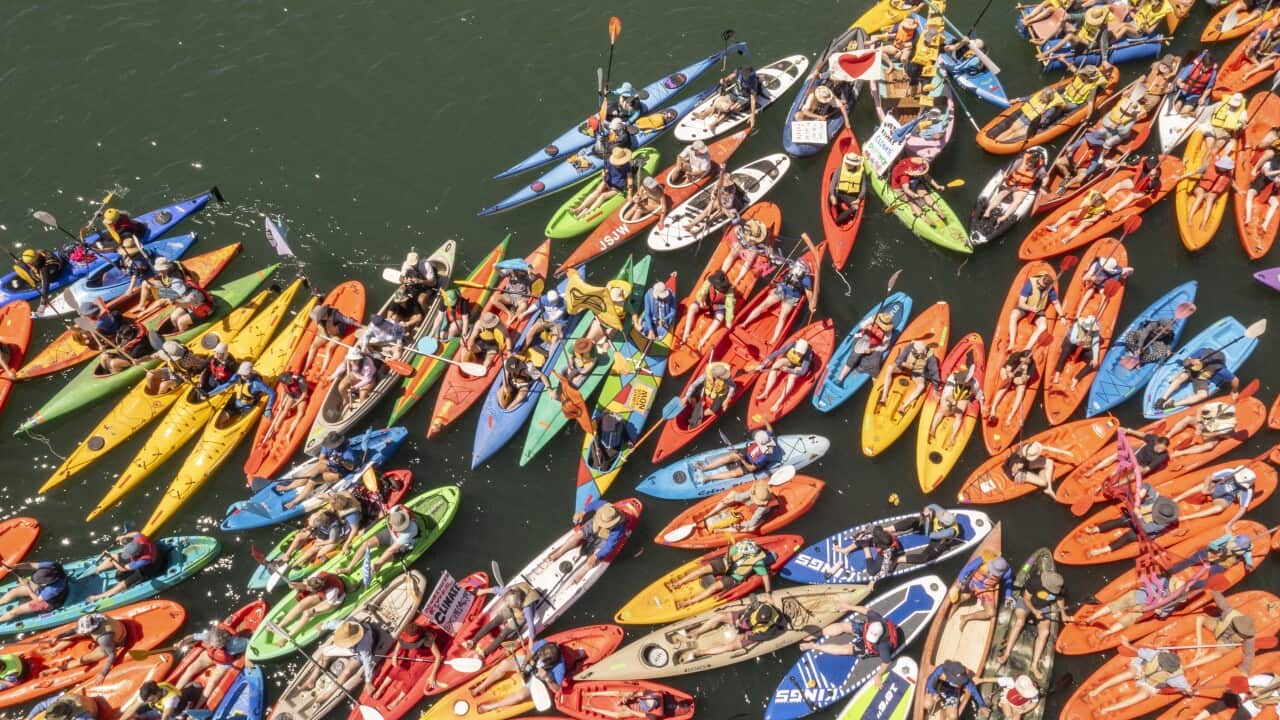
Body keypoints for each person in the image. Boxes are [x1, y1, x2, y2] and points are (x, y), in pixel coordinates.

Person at [800, 602, 902, 685]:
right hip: (867, 629)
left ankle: (814, 646)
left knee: (846, 649)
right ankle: (817, 634)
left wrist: (879, 674)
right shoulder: (876, 619)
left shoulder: (883, 647)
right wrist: (848, 607)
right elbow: (865, 610)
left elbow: (886, 662)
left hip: (870, 646)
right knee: (843, 626)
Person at [671, 595, 788, 664]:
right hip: (745, 621)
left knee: (732, 646)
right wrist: (740, 619)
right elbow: (749, 609)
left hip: (752, 632)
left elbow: (760, 637)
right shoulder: (762, 606)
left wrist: (745, 635)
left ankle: (701, 652)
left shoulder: (771, 629)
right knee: (720, 616)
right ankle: (696, 632)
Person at [666, 538, 775, 610]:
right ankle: (678, 583)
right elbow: (729, 553)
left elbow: (765, 576)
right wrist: (727, 563)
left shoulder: (757, 562)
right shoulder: (741, 546)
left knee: (714, 587)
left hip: (735, 576)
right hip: (726, 564)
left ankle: (689, 602)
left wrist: (768, 594)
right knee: (702, 571)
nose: (739, 548)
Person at [739, 250, 818, 345]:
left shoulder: (803, 277)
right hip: (785, 292)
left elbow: (808, 293)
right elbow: (808, 292)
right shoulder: (799, 273)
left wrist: (811, 303)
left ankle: (771, 338)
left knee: (779, 315)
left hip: (788, 294)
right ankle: (747, 324)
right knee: (769, 309)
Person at [1092, 639, 1192, 714]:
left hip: (1151, 684)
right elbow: (1137, 651)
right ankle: (1098, 689)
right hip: (1141, 669)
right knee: (1130, 673)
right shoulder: (1156, 655)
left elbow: (1187, 690)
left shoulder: (1177, 676)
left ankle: (1109, 709)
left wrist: (1188, 690)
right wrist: (1127, 644)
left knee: (1143, 695)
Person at [995, 570, 1068, 671]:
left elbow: (1060, 599)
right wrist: (1035, 612)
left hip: (1043, 606)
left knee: (1045, 632)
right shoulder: (1035, 581)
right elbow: (1026, 598)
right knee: (1020, 621)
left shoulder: (1060, 588)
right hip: (1026, 602)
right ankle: (1006, 654)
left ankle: (1034, 665)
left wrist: (1064, 614)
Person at [471, 638, 568, 714]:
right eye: (539, 654)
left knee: (521, 696)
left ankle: (490, 707)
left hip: (537, 678)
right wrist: (523, 665)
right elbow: (530, 653)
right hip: (529, 664)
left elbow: (556, 689)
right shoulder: (542, 644)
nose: (539, 657)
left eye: (542, 659)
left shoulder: (559, 668)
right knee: (504, 663)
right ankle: (481, 687)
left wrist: (547, 678)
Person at [1083, 485, 1180, 557]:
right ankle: (1094, 530)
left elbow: (1145, 528)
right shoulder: (1158, 501)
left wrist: (1138, 515)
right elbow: (1148, 486)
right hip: (1135, 516)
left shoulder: (1161, 524)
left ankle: (1100, 551)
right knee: (1118, 521)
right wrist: (1142, 492)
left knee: (1127, 537)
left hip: (1141, 530)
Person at [548, 500, 628, 585]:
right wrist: (582, 512)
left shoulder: (617, 528)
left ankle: (579, 576)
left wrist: (596, 556)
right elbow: (593, 504)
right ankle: (559, 552)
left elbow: (609, 546)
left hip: (606, 536)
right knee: (577, 535)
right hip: (594, 525)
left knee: (593, 559)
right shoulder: (603, 506)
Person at [169, 621, 248, 706]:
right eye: (211, 644)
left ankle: (197, 706)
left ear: (223, 643)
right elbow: (192, 637)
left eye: (214, 646)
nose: (211, 646)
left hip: (223, 663)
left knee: (212, 682)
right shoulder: (210, 636)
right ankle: (173, 694)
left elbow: (250, 643)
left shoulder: (236, 643)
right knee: (190, 670)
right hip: (208, 656)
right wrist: (182, 641)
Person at [855, 504, 962, 566]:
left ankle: (898, 560)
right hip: (930, 528)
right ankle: (888, 529)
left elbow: (931, 535)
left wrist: (929, 519)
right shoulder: (941, 512)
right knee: (913, 521)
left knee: (925, 557)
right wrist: (927, 513)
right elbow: (931, 506)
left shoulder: (950, 531)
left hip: (938, 538)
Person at [300, 620, 382, 700]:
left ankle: (329, 693)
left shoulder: (364, 645)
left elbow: (368, 662)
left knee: (347, 671)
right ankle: (312, 679)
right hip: (348, 647)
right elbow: (333, 623)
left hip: (358, 652)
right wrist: (322, 626)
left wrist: (368, 682)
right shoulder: (345, 627)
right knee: (325, 653)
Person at [459, 583, 541, 658]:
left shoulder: (528, 609)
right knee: (493, 623)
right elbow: (495, 589)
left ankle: (484, 653)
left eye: (510, 604)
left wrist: (530, 648)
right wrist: (481, 591)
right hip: (512, 606)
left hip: (521, 616)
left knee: (503, 633)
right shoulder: (510, 592)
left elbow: (531, 627)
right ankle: (472, 641)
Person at [280, 432, 357, 510]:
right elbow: (321, 459)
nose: (330, 447)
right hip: (328, 465)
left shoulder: (347, 451)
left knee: (312, 481)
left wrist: (342, 461)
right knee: (309, 474)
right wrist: (330, 462)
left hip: (339, 472)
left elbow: (350, 467)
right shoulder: (326, 445)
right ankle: (288, 487)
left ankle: (294, 502)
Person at [688, 474, 779, 538]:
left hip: (758, 514)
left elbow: (752, 522)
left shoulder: (762, 509)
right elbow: (742, 496)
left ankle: (723, 530)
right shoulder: (754, 491)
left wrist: (740, 525)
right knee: (732, 494)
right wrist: (730, 499)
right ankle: (709, 514)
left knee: (752, 528)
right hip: (751, 504)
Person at [340, 504, 418, 577]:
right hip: (390, 534)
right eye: (391, 524)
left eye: (395, 527)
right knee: (366, 544)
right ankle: (349, 568)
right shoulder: (396, 509)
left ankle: (361, 582)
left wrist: (379, 562)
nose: (393, 527)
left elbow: (391, 550)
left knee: (377, 564)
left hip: (403, 546)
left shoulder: (410, 531)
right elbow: (385, 513)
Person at [372, 619, 442, 698]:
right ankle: (381, 688)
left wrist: (433, 675)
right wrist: (395, 655)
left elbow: (438, 656)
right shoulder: (407, 632)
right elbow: (400, 642)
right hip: (416, 650)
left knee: (412, 676)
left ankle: (398, 699)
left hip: (427, 654)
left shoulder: (427, 638)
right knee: (398, 668)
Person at [1155, 347, 1241, 410]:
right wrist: (1191, 361)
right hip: (1191, 371)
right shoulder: (1202, 351)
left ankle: (1173, 404)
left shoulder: (1220, 369)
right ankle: (1163, 398)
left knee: (1203, 395)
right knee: (1182, 377)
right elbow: (1185, 362)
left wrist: (1234, 391)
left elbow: (1235, 380)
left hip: (1201, 378)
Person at [45, 613, 127, 679]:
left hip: (116, 642)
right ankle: (54, 649)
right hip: (110, 631)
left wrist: (103, 673)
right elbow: (75, 630)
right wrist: (59, 636)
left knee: (86, 659)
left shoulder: (104, 639)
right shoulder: (96, 617)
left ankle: (59, 668)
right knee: (73, 634)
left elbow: (112, 655)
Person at [86, 532, 162, 602]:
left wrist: (111, 558)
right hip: (141, 556)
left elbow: (123, 569)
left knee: (123, 584)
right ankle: (97, 570)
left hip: (149, 568)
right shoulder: (140, 539)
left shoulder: (144, 560)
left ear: (136, 554)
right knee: (116, 556)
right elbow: (136, 533)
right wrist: (123, 536)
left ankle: (97, 597)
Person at [929, 357, 985, 448]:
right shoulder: (953, 378)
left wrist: (982, 405)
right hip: (951, 395)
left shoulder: (974, 383)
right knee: (943, 409)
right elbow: (947, 393)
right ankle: (932, 429)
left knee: (959, 414)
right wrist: (952, 401)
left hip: (963, 397)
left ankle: (953, 437)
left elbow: (979, 394)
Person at [144, 257, 213, 333]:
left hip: (201, 308)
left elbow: (186, 303)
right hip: (187, 302)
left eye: (161, 270)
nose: (159, 272)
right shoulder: (173, 269)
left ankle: (184, 332)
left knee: (181, 322)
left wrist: (175, 302)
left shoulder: (177, 282)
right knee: (173, 317)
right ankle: (179, 329)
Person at [692, 426, 780, 484]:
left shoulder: (764, 456)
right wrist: (765, 419)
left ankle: (709, 478)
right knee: (731, 456)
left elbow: (751, 468)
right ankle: (705, 468)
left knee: (734, 473)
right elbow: (770, 430)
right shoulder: (765, 436)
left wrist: (742, 460)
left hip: (751, 463)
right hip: (748, 452)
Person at [877, 339, 940, 419]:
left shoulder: (930, 356)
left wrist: (935, 387)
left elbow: (934, 372)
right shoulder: (910, 347)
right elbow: (899, 360)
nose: (918, 353)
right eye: (917, 351)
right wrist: (904, 364)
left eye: (920, 352)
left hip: (916, 373)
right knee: (890, 368)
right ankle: (884, 397)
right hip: (903, 368)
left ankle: (903, 406)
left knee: (921, 386)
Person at [982, 149, 1047, 225]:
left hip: (1022, 187)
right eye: (1028, 163)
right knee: (1001, 194)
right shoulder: (1019, 161)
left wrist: (1043, 185)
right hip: (1011, 182)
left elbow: (1045, 177)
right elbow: (1010, 170)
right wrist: (1006, 177)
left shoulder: (1040, 169)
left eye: (1031, 165)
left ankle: (1003, 217)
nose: (1028, 165)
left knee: (1018, 201)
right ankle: (988, 211)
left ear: (1035, 165)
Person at [691, 65, 763, 133]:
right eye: (744, 74)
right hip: (735, 93)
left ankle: (716, 123)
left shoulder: (753, 81)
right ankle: (703, 114)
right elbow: (730, 77)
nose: (745, 76)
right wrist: (724, 80)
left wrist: (752, 116)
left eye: (746, 75)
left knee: (732, 109)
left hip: (745, 98)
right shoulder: (739, 71)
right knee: (719, 101)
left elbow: (753, 99)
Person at [574, 147, 640, 219]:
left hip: (617, 187)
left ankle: (587, 212)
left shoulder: (627, 165)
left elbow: (629, 179)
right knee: (597, 192)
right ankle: (580, 208)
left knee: (603, 196)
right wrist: (603, 174)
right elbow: (605, 170)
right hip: (608, 181)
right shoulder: (609, 161)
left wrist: (629, 194)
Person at [753, 337, 815, 414]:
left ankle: (779, 402)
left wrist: (789, 370)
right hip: (789, 361)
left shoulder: (808, 354)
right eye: (797, 352)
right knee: (775, 365)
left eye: (800, 353)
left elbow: (803, 371)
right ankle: (766, 392)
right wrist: (762, 365)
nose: (798, 354)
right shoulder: (791, 345)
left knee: (792, 377)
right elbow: (775, 354)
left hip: (798, 367)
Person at [952, 551, 1012, 629]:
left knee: (991, 613)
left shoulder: (1007, 572)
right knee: (965, 596)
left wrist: (1008, 596)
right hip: (973, 581)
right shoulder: (985, 558)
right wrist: (961, 581)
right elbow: (967, 569)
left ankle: (966, 617)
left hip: (985, 589)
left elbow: (1008, 583)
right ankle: (953, 607)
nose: (991, 572)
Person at [1174, 465, 1255, 523]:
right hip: (1214, 487)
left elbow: (1243, 509)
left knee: (1219, 508)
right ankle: (1176, 499)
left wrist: (1231, 522)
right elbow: (1209, 477)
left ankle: (1185, 517)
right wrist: (1206, 489)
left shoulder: (1247, 490)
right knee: (1201, 486)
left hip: (1224, 498)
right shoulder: (1229, 472)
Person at [836, 311, 897, 384]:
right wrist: (867, 326)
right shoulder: (873, 319)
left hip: (875, 346)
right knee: (854, 357)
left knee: (875, 364)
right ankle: (840, 378)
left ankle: (873, 379)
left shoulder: (888, 332)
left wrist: (871, 350)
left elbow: (884, 347)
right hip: (864, 338)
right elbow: (862, 325)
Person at [1007, 270, 1062, 351]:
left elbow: (1056, 303)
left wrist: (1062, 315)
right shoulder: (1030, 284)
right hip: (1025, 307)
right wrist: (1030, 308)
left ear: (1046, 287)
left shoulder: (1050, 289)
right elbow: (1021, 303)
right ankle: (1011, 343)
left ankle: (1027, 348)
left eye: (1040, 285)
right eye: (1038, 282)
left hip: (1038, 311)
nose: (1037, 284)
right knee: (1013, 316)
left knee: (1043, 326)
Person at [680, 270, 735, 350]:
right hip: (707, 302)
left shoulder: (729, 291)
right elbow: (701, 292)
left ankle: (703, 340)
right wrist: (700, 300)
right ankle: (686, 334)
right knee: (692, 307)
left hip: (718, 306)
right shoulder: (709, 282)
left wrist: (729, 321)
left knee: (719, 318)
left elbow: (730, 307)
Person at [277, 572, 348, 634]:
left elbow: (329, 605)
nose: (307, 589)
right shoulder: (316, 577)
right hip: (324, 594)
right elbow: (305, 585)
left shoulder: (332, 590)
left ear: (318, 590)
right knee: (301, 605)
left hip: (334, 601)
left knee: (307, 613)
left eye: (309, 589)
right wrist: (296, 585)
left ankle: (289, 635)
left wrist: (313, 610)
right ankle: (279, 626)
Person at [207, 361, 276, 425]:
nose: (242, 377)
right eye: (241, 374)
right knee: (219, 422)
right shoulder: (237, 376)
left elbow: (272, 393)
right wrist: (209, 394)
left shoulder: (257, 383)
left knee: (242, 422)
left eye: (245, 375)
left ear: (250, 373)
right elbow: (224, 386)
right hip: (235, 404)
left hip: (247, 407)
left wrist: (268, 408)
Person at [0, 561, 68, 624]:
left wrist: (27, 586)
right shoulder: (50, 565)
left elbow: (37, 600)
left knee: (13, 612)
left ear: (44, 584)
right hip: (41, 589)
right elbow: (30, 565)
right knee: (13, 592)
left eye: (37, 582)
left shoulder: (53, 589)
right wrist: (15, 566)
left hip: (48, 601)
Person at [1084, 429, 1171, 479]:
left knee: (1124, 472)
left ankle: (1111, 481)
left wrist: (1141, 471)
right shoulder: (1154, 439)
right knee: (1114, 456)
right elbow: (1143, 435)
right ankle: (1093, 470)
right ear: (1156, 443)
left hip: (1141, 464)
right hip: (1135, 453)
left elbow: (1148, 468)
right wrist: (1129, 430)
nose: (1160, 451)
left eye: (1162, 449)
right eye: (1159, 448)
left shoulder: (1163, 456)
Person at [1167, 400, 1239, 458]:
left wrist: (1200, 432)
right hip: (1203, 422)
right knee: (1188, 418)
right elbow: (1199, 409)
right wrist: (1199, 423)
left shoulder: (1229, 425)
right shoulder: (1218, 405)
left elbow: (1210, 435)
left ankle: (1180, 453)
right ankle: (1168, 435)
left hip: (1213, 434)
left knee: (1209, 445)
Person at [683, 171, 748, 235]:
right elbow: (714, 191)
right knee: (705, 212)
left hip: (729, 206)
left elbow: (728, 205)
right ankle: (690, 225)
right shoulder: (718, 183)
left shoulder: (731, 191)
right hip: (719, 200)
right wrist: (713, 195)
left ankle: (698, 230)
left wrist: (719, 208)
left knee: (712, 217)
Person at [995, 87, 1066, 144]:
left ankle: (1001, 144)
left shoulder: (1051, 108)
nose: (1042, 97)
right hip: (1023, 117)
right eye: (1042, 95)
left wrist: (1043, 120)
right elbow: (1026, 98)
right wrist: (1017, 100)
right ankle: (996, 140)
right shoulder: (1036, 98)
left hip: (1030, 124)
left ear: (1049, 98)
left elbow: (1044, 121)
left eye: (1044, 96)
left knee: (1015, 135)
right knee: (1011, 130)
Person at [1187, 155, 1241, 230]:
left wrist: (1239, 190)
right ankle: (1190, 218)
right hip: (1201, 188)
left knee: (1210, 200)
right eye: (1224, 167)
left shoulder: (1228, 173)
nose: (1225, 169)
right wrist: (1182, 177)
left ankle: (1203, 223)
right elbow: (1195, 172)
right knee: (1200, 196)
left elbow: (1232, 182)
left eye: (1226, 168)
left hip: (1210, 192)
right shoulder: (1209, 166)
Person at [986, 350, 1038, 427]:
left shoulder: (1032, 364)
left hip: (1019, 377)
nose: (1026, 362)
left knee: (1021, 390)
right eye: (1024, 360)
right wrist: (1009, 375)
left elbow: (1026, 378)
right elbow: (1007, 369)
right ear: (1021, 357)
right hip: (1009, 373)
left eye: (1028, 361)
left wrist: (1020, 379)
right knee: (1005, 386)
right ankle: (993, 410)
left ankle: (1010, 416)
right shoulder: (1015, 356)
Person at [1050, 315, 1103, 390]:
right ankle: (1057, 373)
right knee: (1065, 351)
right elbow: (1073, 339)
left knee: (1093, 363)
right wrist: (1081, 340)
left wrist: (1095, 358)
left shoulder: (1095, 331)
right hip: (1072, 344)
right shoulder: (1077, 325)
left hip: (1084, 348)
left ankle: (1076, 379)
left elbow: (1095, 345)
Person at [922, 660, 988, 720]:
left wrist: (982, 705)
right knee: (927, 704)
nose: (960, 684)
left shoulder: (965, 678)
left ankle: (943, 712)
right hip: (939, 686)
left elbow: (974, 691)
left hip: (952, 691)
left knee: (953, 716)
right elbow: (930, 682)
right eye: (958, 682)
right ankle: (940, 703)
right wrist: (933, 693)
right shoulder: (941, 669)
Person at [303, 302, 360, 370]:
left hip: (336, 334)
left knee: (328, 349)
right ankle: (305, 369)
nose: (324, 316)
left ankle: (322, 370)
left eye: (323, 315)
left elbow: (348, 321)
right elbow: (321, 329)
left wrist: (361, 326)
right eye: (322, 317)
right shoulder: (317, 320)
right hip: (326, 333)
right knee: (313, 346)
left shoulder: (335, 315)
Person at [1169, 531, 1255, 575]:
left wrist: (1249, 564)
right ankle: (1172, 570)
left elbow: (1248, 556)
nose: (1237, 547)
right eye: (1237, 545)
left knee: (1214, 574)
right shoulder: (1229, 537)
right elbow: (1212, 544)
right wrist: (1219, 550)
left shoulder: (1246, 549)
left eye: (1240, 547)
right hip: (1213, 553)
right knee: (1192, 559)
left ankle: (1204, 586)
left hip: (1223, 562)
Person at [719, 216, 774, 286]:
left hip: (744, 243)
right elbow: (766, 248)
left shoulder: (742, 225)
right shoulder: (760, 238)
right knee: (745, 260)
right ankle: (734, 278)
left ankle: (726, 274)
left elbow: (736, 228)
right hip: (746, 244)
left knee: (735, 256)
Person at [575, 688, 693, 720]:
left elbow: (638, 715)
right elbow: (637, 693)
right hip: (633, 700)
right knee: (619, 693)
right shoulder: (655, 694)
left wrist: (627, 708)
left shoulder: (654, 715)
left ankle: (590, 708)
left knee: (617, 716)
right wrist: (627, 697)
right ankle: (592, 694)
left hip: (633, 710)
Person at [889, 155, 946, 220]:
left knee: (924, 193)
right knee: (911, 200)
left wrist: (937, 186)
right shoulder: (904, 176)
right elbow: (906, 190)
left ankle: (938, 210)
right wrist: (915, 195)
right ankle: (923, 217)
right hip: (900, 187)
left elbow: (927, 177)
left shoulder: (920, 163)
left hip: (913, 181)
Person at [679, 361, 734, 425]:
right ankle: (695, 407)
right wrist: (686, 397)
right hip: (707, 390)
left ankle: (701, 415)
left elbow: (732, 387)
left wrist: (727, 400)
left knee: (714, 409)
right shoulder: (707, 374)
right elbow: (694, 384)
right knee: (691, 395)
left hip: (719, 395)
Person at [260, 370, 308, 443]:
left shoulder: (300, 380)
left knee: (300, 413)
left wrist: (296, 404)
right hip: (292, 395)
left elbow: (304, 394)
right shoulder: (284, 383)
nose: (290, 381)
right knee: (285, 410)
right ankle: (275, 428)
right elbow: (284, 391)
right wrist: (281, 403)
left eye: (290, 379)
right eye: (288, 381)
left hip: (301, 396)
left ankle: (289, 434)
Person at [974, 674, 1042, 720]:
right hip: (1007, 700)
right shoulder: (1011, 682)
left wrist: (1024, 710)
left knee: (1016, 717)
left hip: (1020, 705)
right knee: (1009, 717)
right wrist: (981, 680)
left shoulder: (1032, 691)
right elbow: (996, 679)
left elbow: (1035, 702)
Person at [124, 681, 203, 720]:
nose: (149, 702)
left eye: (151, 700)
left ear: (157, 693)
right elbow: (132, 709)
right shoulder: (148, 692)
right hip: (159, 709)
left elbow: (166, 716)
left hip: (174, 713)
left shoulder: (171, 699)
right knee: (136, 712)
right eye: (147, 700)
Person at [1172, 50, 1218, 115]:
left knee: (1185, 111)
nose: (1206, 69)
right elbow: (1179, 80)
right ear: (1201, 63)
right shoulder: (1192, 67)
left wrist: (1203, 97)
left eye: (1209, 67)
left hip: (1195, 95)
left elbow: (1208, 88)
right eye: (1205, 66)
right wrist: (1180, 84)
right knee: (1177, 106)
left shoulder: (1212, 73)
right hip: (1183, 92)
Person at [1244, 152, 1280, 235]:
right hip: (1261, 182)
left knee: (1275, 204)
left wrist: (1278, 182)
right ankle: (1248, 218)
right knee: (1250, 194)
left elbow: (1277, 187)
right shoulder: (1268, 165)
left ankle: (1265, 225)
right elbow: (1267, 173)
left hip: (1270, 187)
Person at [828, 151, 866, 225]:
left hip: (851, 196)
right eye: (847, 163)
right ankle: (835, 209)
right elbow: (833, 184)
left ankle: (837, 221)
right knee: (830, 198)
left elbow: (863, 188)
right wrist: (832, 195)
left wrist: (858, 199)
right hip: (839, 193)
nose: (847, 164)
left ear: (855, 165)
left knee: (855, 208)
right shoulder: (840, 169)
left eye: (850, 164)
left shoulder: (861, 172)